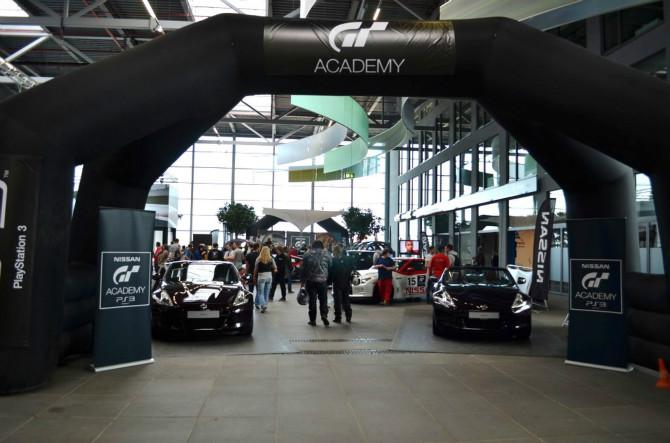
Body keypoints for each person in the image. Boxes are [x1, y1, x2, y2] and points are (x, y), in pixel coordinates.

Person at [301, 240, 332, 326]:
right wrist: (329, 280)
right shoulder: (327, 254)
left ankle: (313, 320)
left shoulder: (307, 254)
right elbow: (330, 267)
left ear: (313, 246)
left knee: (312, 300)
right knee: (323, 299)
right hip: (323, 281)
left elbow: (303, 269)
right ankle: (324, 315)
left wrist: (302, 282)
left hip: (310, 280)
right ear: (322, 246)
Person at [329, 245, 353, 323]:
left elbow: (331, 272)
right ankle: (348, 316)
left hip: (337, 282)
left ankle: (338, 317)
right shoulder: (348, 259)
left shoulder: (334, 260)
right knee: (346, 300)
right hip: (346, 282)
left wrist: (330, 281)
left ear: (335, 251)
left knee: (337, 301)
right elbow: (351, 269)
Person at [253, 246, 276, 313]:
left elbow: (255, 269)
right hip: (269, 277)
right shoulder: (271, 259)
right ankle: (264, 304)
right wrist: (274, 269)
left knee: (260, 293)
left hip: (261, 277)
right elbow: (275, 267)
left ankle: (263, 305)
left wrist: (254, 277)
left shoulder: (258, 259)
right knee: (266, 292)